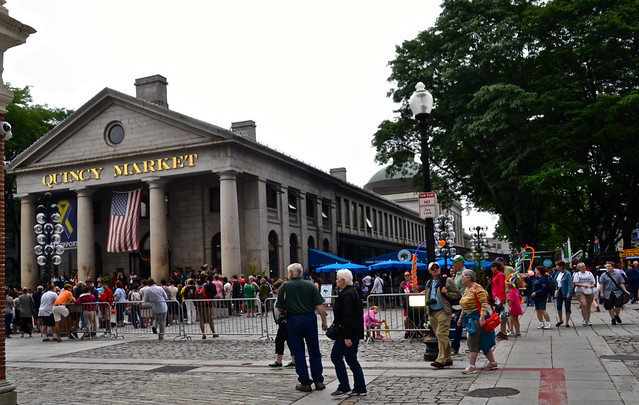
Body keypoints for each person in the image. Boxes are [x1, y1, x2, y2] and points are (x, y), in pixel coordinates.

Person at [276, 263, 328, 393]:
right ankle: (318, 380)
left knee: (298, 352)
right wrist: (324, 321)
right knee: (314, 350)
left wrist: (285, 315)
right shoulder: (310, 285)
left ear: (291, 274)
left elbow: (279, 306)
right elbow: (320, 305)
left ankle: (305, 382)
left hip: (293, 320)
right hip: (309, 319)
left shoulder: (285, 286)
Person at [330, 269, 366, 397]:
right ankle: (360, 387)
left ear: (343, 281)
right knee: (351, 359)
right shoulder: (351, 292)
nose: (336, 281)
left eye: (337, 278)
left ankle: (344, 385)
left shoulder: (347, 295)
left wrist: (347, 336)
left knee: (336, 356)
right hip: (353, 332)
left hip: (348, 333)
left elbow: (348, 316)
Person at [457, 269, 498, 374]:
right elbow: (464, 306)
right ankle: (492, 363)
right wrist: (461, 318)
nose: (461, 278)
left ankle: (472, 365)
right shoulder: (467, 289)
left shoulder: (477, 288)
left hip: (477, 319)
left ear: (469, 278)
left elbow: (484, 304)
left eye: (463, 276)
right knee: (481, 341)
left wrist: (482, 318)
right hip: (470, 318)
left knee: (473, 341)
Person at [425, 262, 461, 369]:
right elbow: (427, 296)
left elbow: (458, 294)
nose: (435, 269)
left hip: (444, 311)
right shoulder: (429, 282)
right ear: (430, 271)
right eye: (433, 268)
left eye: (437, 267)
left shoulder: (447, 280)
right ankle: (448, 358)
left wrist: (446, 293)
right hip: (432, 312)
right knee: (441, 336)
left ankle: (440, 359)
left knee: (441, 334)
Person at [268, 279, 295, 369]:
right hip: (282, 322)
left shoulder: (285, 297)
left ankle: (287, 361)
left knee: (283, 341)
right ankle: (284, 360)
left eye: (276, 288)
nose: (274, 290)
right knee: (284, 341)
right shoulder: (280, 296)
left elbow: (286, 308)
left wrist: (285, 317)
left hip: (285, 322)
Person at [450, 255, 467, 354]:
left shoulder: (465, 273)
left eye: (455, 262)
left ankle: (455, 346)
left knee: (459, 324)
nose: (454, 264)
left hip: (465, 301)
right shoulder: (458, 274)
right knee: (460, 324)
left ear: (461, 262)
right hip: (459, 301)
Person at [490, 261, 508, 340]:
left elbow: (501, 287)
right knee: (501, 316)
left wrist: (501, 299)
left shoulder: (500, 275)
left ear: (495, 267)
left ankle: (503, 332)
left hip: (499, 298)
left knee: (502, 316)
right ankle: (502, 332)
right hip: (497, 297)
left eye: (492, 267)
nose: (491, 268)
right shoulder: (496, 275)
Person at [553, 260, 573, 327]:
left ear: (561, 266)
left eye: (557, 266)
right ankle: (560, 319)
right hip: (559, 291)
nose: (556, 267)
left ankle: (567, 322)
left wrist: (569, 292)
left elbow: (570, 283)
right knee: (559, 306)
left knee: (567, 306)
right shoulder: (557, 273)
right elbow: (555, 281)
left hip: (565, 291)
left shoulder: (567, 273)